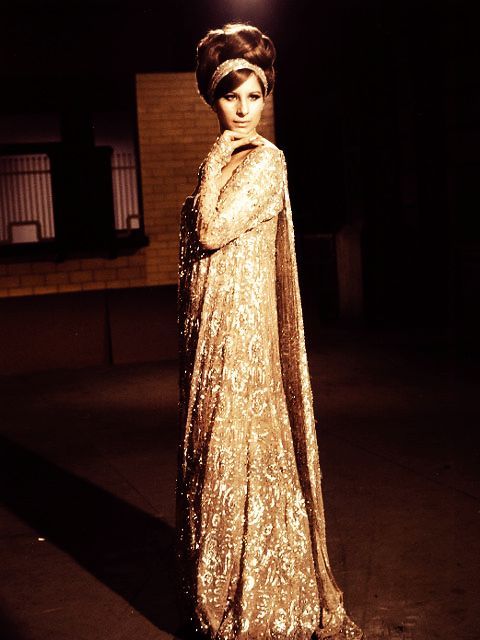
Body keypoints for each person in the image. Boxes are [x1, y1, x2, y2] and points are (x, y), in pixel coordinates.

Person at [175, 22, 364, 640]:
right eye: (231, 95)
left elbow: (210, 230)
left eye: (254, 96)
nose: (242, 108)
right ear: (213, 96)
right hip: (211, 327)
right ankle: (221, 581)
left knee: (242, 450)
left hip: (245, 333)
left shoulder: (262, 160)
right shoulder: (233, 156)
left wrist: (212, 162)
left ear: (267, 97)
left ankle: (261, 596)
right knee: (212, 453)